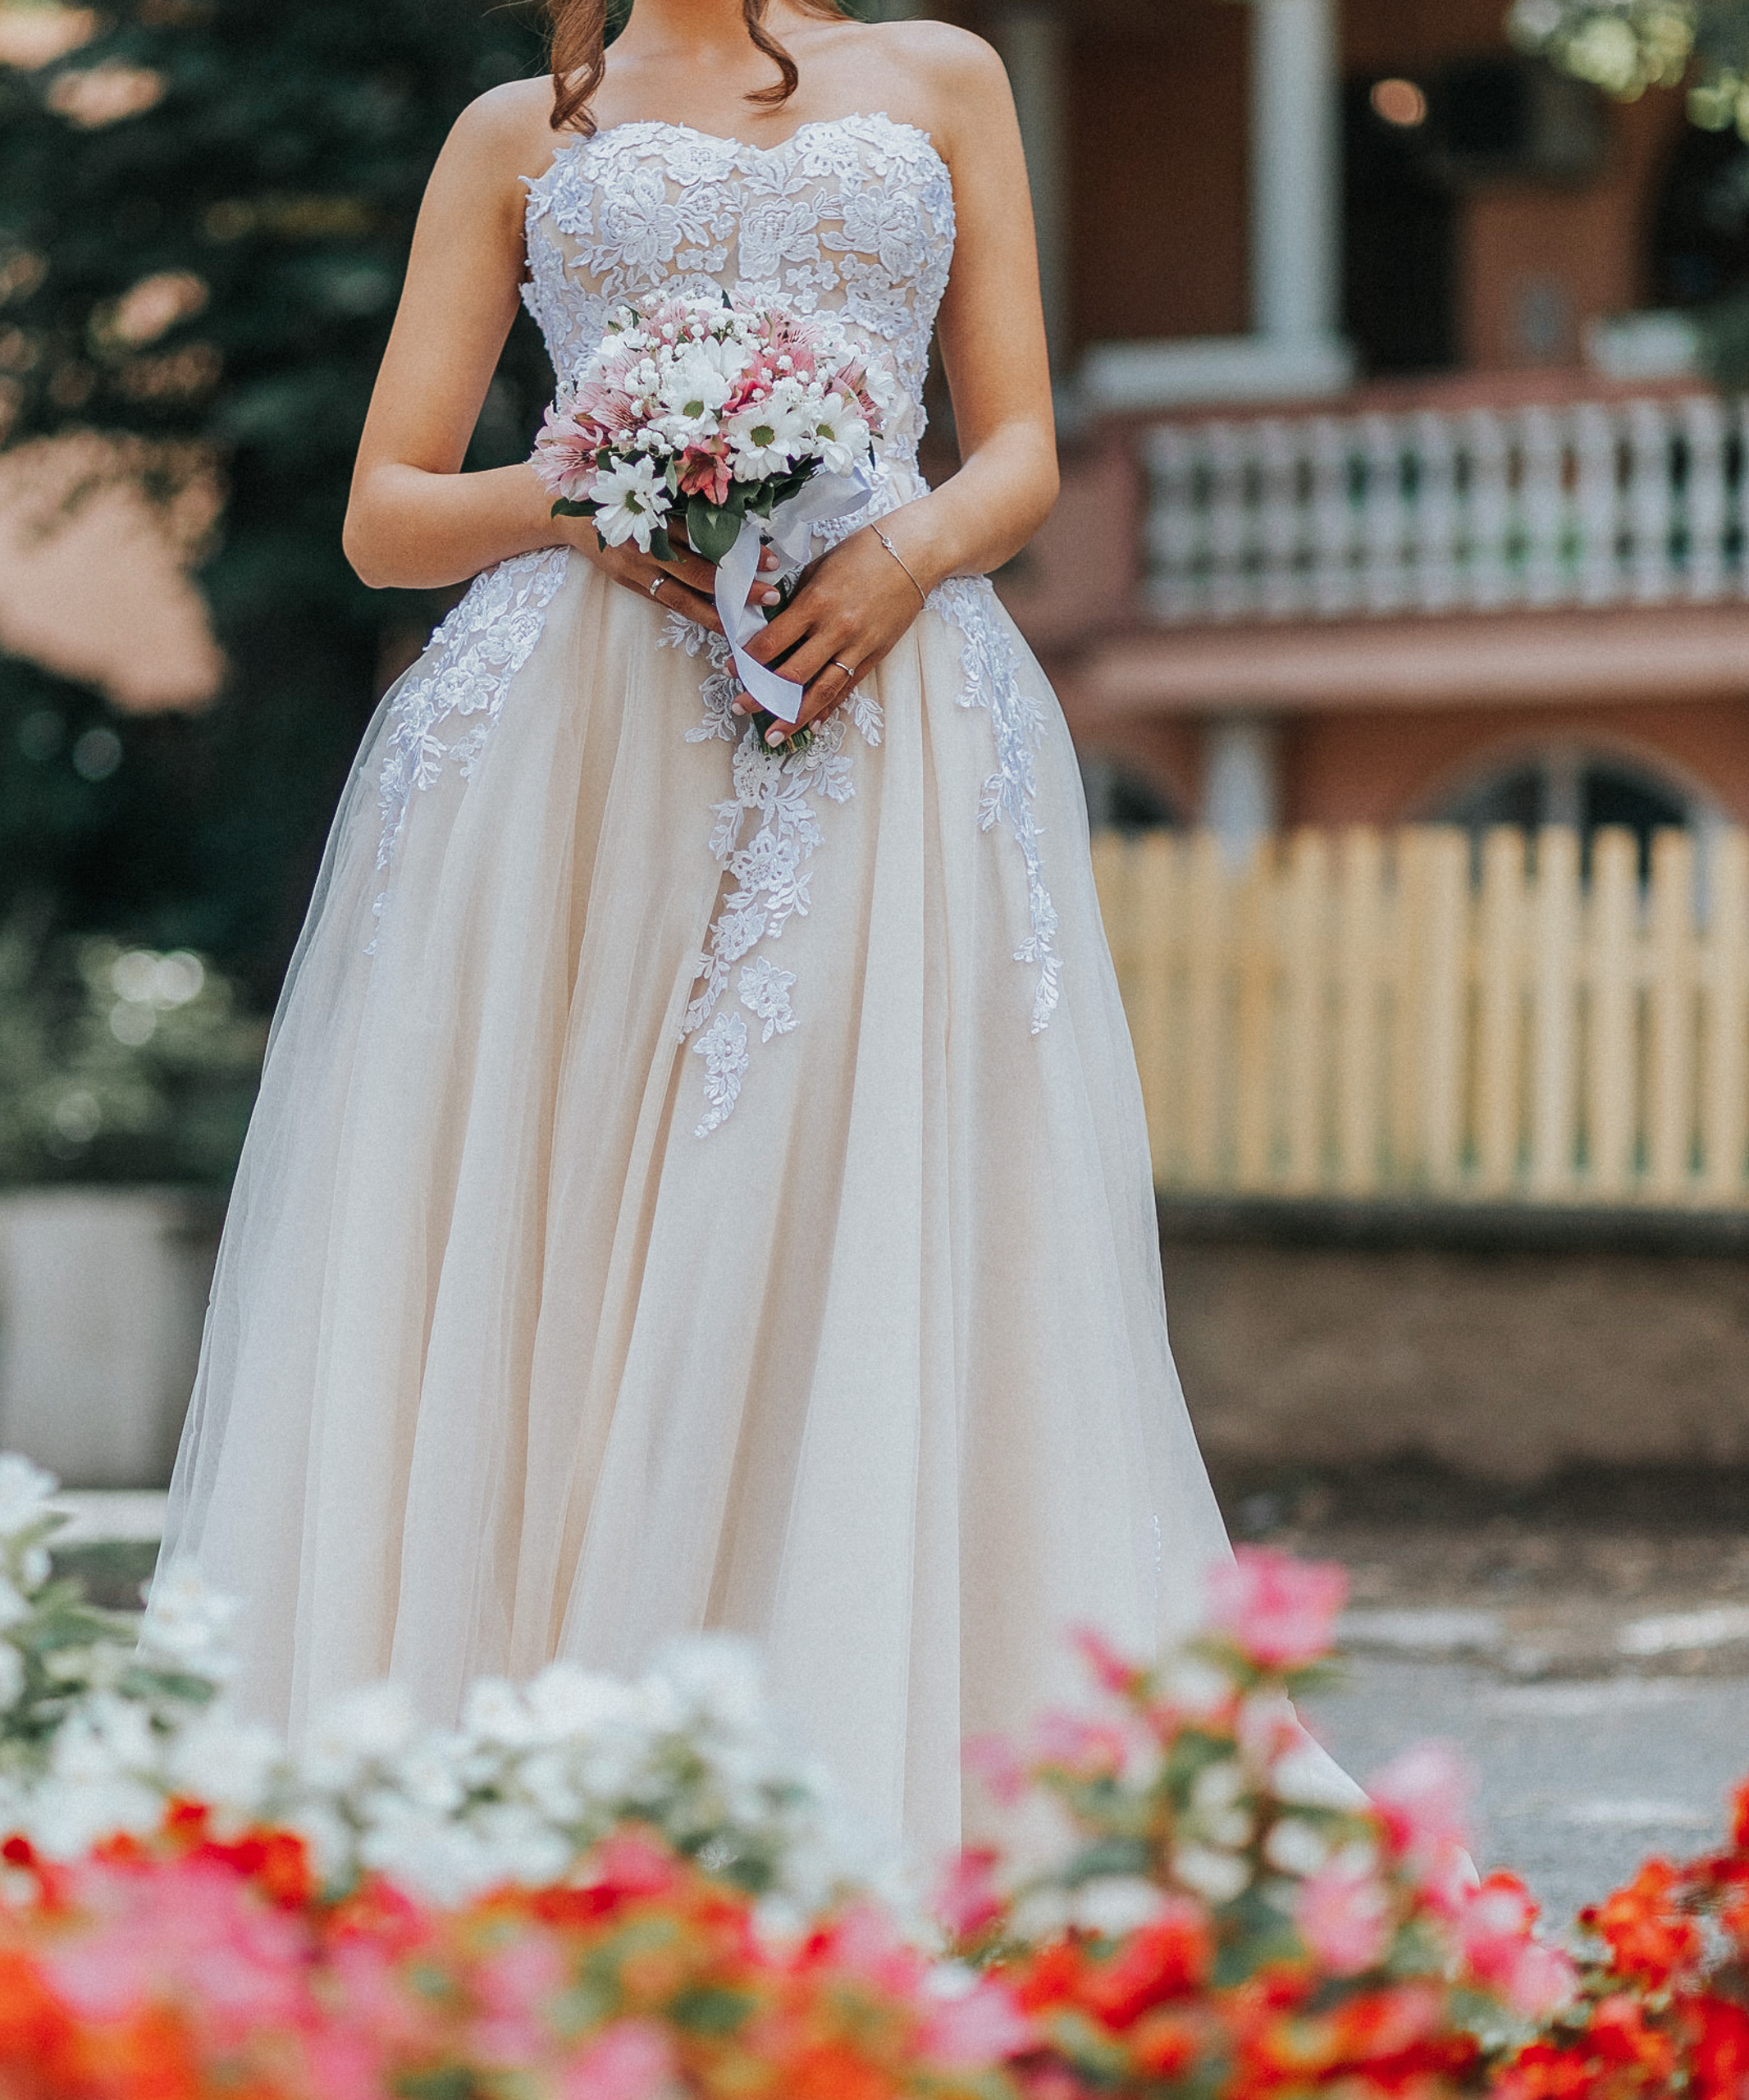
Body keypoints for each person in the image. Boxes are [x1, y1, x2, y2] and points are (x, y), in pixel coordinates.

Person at [158, 0, 1246, 1855]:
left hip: (881, 715)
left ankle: (869, 1766)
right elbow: (384, 514)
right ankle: (552, 1785)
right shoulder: (515, 126)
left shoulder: (942, 76)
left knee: (852, 1198)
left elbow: (1018, 455)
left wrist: (897, 552)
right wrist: (590, 492)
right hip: (572, 761)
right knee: (564, 1227)